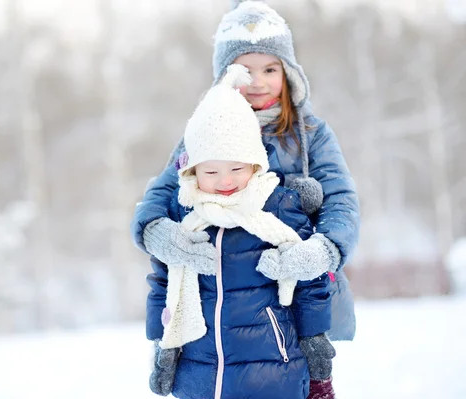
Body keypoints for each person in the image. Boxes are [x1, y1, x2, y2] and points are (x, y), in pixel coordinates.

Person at [132, 1, 360, 397]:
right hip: (225, 297)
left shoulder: (310, 134)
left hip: (294, 292)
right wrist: (157, 230)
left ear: (288, 73)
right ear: (224, 76)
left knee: (299, 378)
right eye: (245, 70)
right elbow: (167, 188)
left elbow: (341, 199)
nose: (258, 81)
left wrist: (322, 250)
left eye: (270, 69)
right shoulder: (205, 133)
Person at [144, 64, 334, 399]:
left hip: (273, 369)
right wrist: (162, 346)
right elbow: (163, 283)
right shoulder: (183, 216)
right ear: (191, 171)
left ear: (256, 164)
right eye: (212, 171)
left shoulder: (279, 209)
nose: (226, 181)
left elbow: (310, 283)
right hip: (200, 374)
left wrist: (314, 337)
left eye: (236, 168)